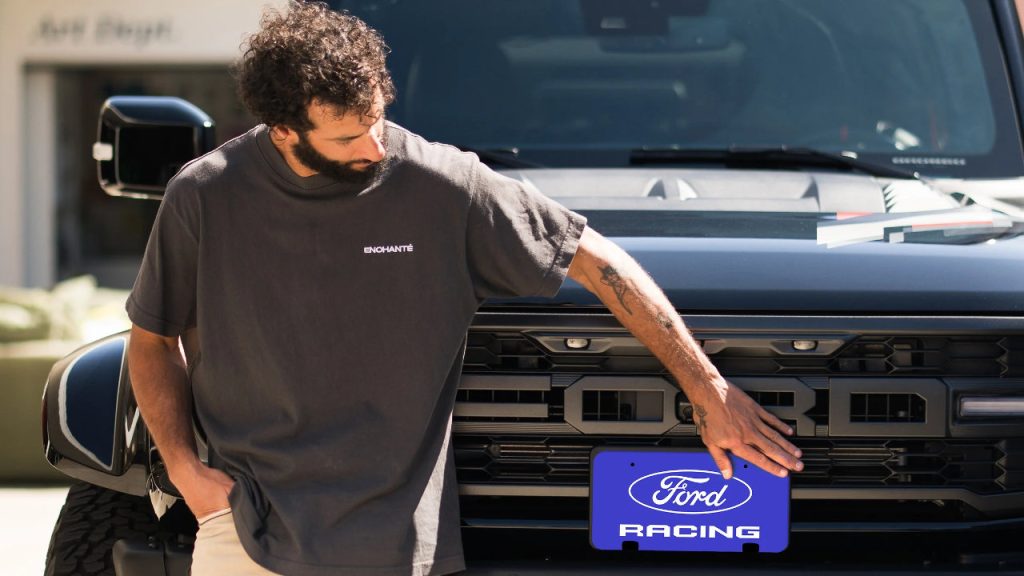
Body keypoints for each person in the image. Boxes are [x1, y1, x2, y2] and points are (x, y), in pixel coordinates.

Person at [125, 2, 803, 575]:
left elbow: (600, 262)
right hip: (244, 530)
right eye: (349, 136)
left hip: (391, 545)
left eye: (379, 119)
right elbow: (151, 340)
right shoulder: (205, 195)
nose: (376, 148)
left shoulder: (443, 185)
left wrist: (707, 389)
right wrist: (185, 470)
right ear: (283, 132)